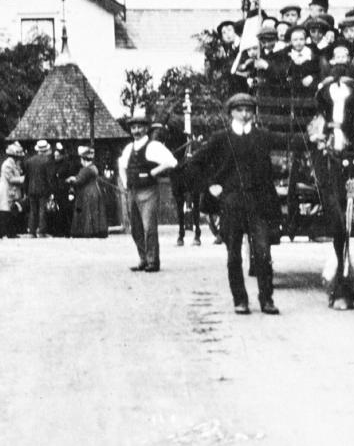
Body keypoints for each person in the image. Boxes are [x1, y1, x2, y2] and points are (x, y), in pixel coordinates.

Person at [194, 93, 280, 315]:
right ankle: (240, 300)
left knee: (263, 253)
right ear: (231, 112)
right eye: (239, 109)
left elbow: (289, 141)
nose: (244, 113)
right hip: (231, 204)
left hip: (258, 203)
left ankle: (267, 299)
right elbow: (196, 164)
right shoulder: (220, 138)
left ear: (253, 113)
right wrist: (210, 185)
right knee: (233, 254)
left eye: (248, 109)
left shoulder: (262, 137)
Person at [118, 115, 178, 272]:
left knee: (149, 227)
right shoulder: (129, 148)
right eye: (133, 128)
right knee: (136, 228)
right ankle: (143, 259)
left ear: (146, 129)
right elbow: (121, 165)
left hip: (148, 191)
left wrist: (155, 171)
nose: (136, 131)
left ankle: (153, 261)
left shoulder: (154, 146)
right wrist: (125, 183)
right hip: (133, 191)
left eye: (139, 127)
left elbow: (172, 161)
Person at [68, 146, 109, 238]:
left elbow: (79, 181)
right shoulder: (93, 167)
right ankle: (97, 230)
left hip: (87, 193)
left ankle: (87, 231)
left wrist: (71, 179)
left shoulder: (85, 169)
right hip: (95, 191)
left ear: (83, 159)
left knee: (88, 212)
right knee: (94, 212)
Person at [0, 142, 26, 238]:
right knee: (4, 210)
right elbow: (10, 178)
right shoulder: (7, 164)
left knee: (10, 211)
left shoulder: (14, 164)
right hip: (5, 190)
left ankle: (10, 232)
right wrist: (23, 179)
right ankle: (2, 232)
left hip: (10, 190)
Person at [23, 140, 54, 238]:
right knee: (42, 210)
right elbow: (49, 177)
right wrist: (51, 190)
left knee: (33, 210)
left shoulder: (29, 161)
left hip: (31, 189)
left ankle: (31, 231)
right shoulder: (48, 161)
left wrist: (26, 190)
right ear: (46, 150)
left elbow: (26, 177)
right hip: (43, 189)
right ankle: (41, 231)